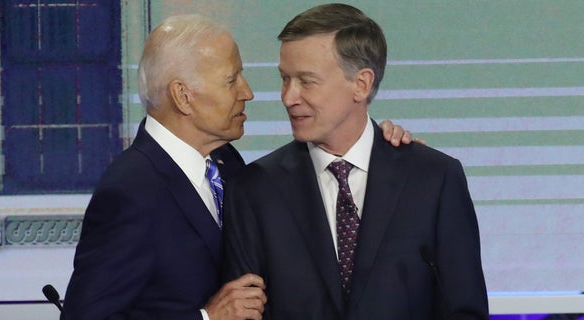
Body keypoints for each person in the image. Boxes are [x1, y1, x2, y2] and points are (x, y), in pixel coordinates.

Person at [62, 14, 414, 320]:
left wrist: (379, 152)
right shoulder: (130, 191)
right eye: (232, 80)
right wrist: (205, 317)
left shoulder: (226, 163)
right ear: (183, 96)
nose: (247, 92)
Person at [221, 3, 489, 320]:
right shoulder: (254, 190)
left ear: (361, 84)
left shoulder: (434, 179)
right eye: (285, 79)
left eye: (307, 81)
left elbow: (464, 310)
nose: (289, 97)